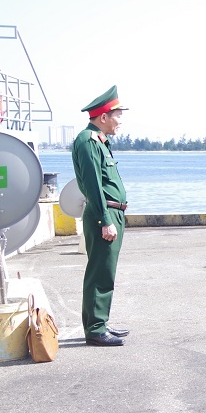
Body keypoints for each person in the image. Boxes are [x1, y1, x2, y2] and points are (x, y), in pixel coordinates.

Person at [71, 86, 129, 347]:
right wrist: (105, 220)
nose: (120, 121)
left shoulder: (100, 141)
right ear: (104, 117)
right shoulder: (88, 141)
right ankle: (95, 329)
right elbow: (93, 185)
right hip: (102, 213)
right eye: (117, 116)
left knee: (106, 271)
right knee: (99, 271)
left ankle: (100, 322)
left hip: (112, 212)